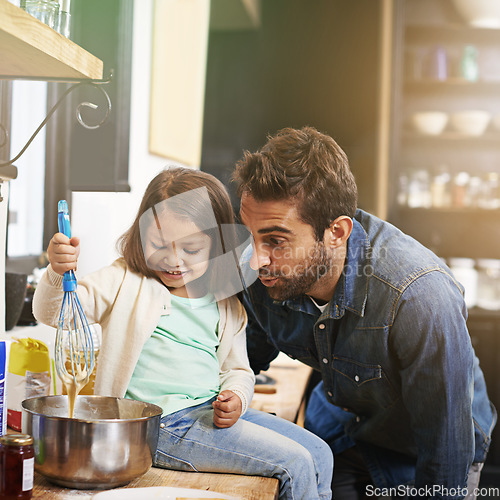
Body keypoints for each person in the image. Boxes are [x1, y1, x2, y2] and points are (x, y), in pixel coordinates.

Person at [32, 167, 333, 500]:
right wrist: (58, 272)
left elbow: (237, 370)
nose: (173, 260)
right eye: (159, 244)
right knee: (296, 463)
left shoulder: (224, 304)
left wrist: (237, 397)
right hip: (157, 427)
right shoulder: (124, 281)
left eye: (191, 250)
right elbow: (53, 313)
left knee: (320, 453)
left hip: (206, 415)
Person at [232, 126, 497, 500]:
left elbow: (445, 445)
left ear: (336, 232)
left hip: (425, 450)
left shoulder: (418, 296)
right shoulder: (264, 272)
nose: (256, 259)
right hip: (345, 428)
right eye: (251, 235)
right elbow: (246, 354)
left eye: (276, 240)